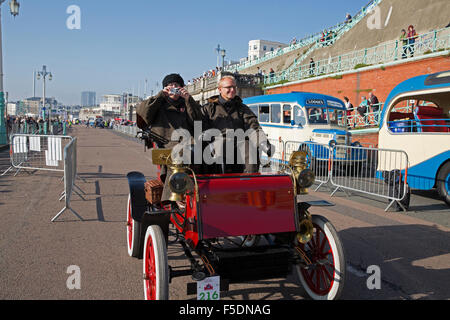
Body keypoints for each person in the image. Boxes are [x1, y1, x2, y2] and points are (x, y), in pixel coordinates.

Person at [136, 73, 203, 202]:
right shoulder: (159, 103)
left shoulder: (186, 103)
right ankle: (172, 197)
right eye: (170, 85)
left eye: (176, 85)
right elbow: (143, 113)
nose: (173, 87)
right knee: (179, 153)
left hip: (188, 142)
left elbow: (198, 121)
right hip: (165, 142)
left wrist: (189, 99)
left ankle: (198, 193)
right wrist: (161, 95)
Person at [201, 75, 271, 174]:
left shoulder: (242, 108)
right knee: (220, 147)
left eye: (234, 87)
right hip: (218, 141)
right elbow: (202, 128)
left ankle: (249, 184)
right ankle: (220, 184)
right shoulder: (208, 108)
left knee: (250, 150)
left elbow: (253, 126)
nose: (232, 90)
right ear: (220, 89)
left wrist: (263, 143)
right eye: (228, 87)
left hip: (240, 141)